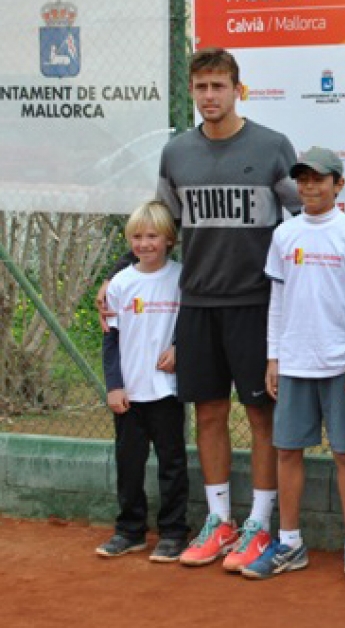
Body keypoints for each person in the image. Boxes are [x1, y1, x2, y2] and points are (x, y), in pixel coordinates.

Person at [96, 48, 345, 572]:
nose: (209, 96)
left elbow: (310, 215)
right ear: (193, 92)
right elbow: (164, 224)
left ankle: (261, 524)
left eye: (218, 86)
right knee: (207, 413)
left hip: (255, 303)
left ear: (237, 89)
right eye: (200, 87)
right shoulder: (176, 153)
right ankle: (220, 520)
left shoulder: (272, 148)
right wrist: (119, 272)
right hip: (198, 303)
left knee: (261, 417)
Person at [241, 146, 345, 585]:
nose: (310, 187)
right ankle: (290, 541)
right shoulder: (285, 234)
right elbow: (277, 300)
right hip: (295, 361)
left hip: (342, 363)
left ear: (339, 185)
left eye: (319, 179)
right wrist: (273, 356)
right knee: (287, 451)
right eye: (303, 179)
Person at [95, 201, 189, 563]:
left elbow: (192, 326)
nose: (144, 243)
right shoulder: (120, 282)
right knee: (129, 465)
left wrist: (180, 349)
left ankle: (173, 532)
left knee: (172, 464)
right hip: (130, 394)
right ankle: (130, 531)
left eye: (152, 236)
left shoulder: (181, 278)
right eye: (137, 236)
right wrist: (114, 385)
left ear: (169, 239)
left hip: (167, 391)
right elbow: (110, 338)